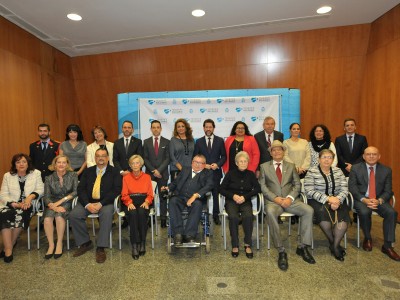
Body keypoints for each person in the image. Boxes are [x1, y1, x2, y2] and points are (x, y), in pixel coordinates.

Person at [259, 140, 315, 271]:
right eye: (274, 150)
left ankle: (303, 246)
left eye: (280, 149)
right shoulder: (264, 166)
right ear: (271, 153)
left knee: (309, 210)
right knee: (270, 213)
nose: (277, 152)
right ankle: (281, 250)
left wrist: (290, 198)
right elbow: (263, 186)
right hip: (274, 202)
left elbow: (297, 184)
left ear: (284, 152)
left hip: (291, 201)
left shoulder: (291, 165)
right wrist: (275, 198)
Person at [70, 148, 121, 263]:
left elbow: (116, 190)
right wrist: (87, 204)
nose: (101, 158)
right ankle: (85, 243)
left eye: (103, 156)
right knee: (74, 215)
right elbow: (81, 189)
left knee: (107, 214)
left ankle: (101, 247)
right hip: (87, 201)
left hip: (105, 202)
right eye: (98, 156)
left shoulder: (114, 171)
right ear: (95, 158)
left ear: (108, 158)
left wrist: (101, 203)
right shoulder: (88, 171)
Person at [349, 146, 400, 261]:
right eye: (368, 154)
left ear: (379, 156)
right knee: (364, 211)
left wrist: (380, 200)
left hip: (379, 199)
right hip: (361, 199)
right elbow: (352, 188)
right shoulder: (356, 168)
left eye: (374, 154)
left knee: (392, 213)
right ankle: (367, 238)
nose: (371, 156)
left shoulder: (386, 170)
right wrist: (364, 200)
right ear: (363, 156)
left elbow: (388, 190)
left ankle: (387, 246)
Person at [304, 149, 349, 261]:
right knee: (324, 217)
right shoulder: (312, 171)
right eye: (324, 157)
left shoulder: (338, 171)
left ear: (333, 160)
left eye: (329, 157)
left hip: (338, 200)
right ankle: (335, 244)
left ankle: (334, 246)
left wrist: (337, 199)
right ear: (319, 159)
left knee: (342, 220)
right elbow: (309, 190)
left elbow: (345, 189)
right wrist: (328, 199)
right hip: (317, 200)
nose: (327, 160)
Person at [0, 154, 44, 263]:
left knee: (19, 214)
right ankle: (9, 248)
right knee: (4, 215)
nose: (21, 164)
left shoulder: (36, 173)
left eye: (24, 162)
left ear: (28, 163)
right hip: (11, 204)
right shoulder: (7, 176)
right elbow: (3, 194)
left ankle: (8, 247)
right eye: (18, 162)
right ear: (14, 165)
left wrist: (30, 198)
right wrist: (14, 203)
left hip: (30, 204)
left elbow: (40, 189)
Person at [164, 154, 213, 245]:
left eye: (200, 163)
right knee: (173, 201)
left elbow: (209, 186)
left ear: (204, 164)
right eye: (195, 162)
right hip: (180, 197)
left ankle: (189, 235)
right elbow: (175, 182)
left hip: (196, 200)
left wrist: (195, 196)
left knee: (198, 205)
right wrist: (168, 188)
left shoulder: (208, 173)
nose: (197, 164)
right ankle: (178, 234)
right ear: (192, 162)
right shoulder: (185, 169)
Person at [220, 151, 261, 259]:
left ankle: (247, 244)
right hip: (231, 201)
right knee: (233, 217)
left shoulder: (251, 174)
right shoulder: (230, 173)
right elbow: (221, 189)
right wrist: (233, 196)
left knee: (248, 216)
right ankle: (235, 244)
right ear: (236, 163)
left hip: (245, 201)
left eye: (245, 161)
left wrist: (245, 197)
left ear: (248, 162)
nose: (243, 163)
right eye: (241, 161)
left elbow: (257, 188)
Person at [43, 155, 78, 259]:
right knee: (47, 219)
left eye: (64, 162)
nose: (61, 164)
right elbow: (46, 196)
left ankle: (59, 243)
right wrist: (54, 206)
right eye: (59, 162)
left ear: (67, 164)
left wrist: (62, 201)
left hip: (67, 202)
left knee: (59, 217)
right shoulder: (48, 178)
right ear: (55, 164)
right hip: (52, 203)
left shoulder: (73, 175)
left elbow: (76, 191)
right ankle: (51, 245)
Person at [194, 119, 226, 225]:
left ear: (213, 128)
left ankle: (216, 216)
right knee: (202, 195)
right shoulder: (198, 141)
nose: (208, 129)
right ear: (203, 128)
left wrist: (217, 164)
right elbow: (195, 157)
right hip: (203, 174)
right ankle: (203, 216)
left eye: (210, 127)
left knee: (215, 195)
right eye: (206, 127)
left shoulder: (220, 140)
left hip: (216, 173)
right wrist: (203, 165)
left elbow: (224, 156)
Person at [121, 155, 154, 260]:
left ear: (141, 164)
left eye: (137, 163)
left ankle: (143, 242)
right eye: (133, 163)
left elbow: (150, 194)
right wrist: (129, 202)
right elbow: (124, 194)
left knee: (141, 213)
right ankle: (135, 245)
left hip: (143, 200)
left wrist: (147, 201)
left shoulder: (147, 177)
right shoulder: (126, 178)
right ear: (130, 165)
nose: (135, 165)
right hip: (130, 201)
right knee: (133, 214)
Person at [113, 120, 143, 228]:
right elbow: (115, 160)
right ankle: (125, 219)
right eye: (125, 127)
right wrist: (121, 171)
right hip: (120, 175)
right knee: (123, 195)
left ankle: (135, 216)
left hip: (134, 174)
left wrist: (130, 172)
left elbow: (139, 158)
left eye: (129, 127)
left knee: (133, 194)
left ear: (132, 130)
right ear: (122, 129)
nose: (127, 129)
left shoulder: (138, 142)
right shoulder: (117, 142)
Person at [143, 120, 170, 228]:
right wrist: (154, 171)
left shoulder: (167, 142)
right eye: (153, 127)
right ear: (151, 129)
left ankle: (163, 218)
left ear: (161, 129)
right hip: (150, 174)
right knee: (150, 197)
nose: (155, 129)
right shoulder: (146, 142)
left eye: (157, 127)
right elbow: (145, 158)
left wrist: (159, 170)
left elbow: (168, 158)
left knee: (163, 196)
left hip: (163, 174)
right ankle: (151, 218)